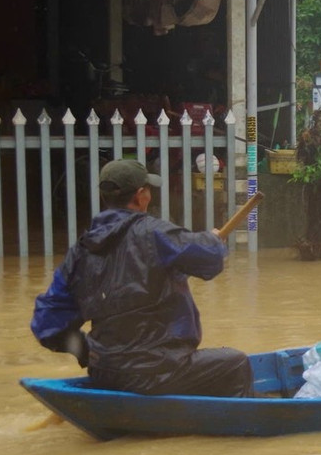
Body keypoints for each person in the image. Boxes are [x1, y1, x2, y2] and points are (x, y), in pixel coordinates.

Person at [31, 159, 253, 397]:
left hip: (105, 373)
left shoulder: (80, 252)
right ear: (140, 196)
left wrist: (89, 353)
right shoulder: (154, 234)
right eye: (148, 190)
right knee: (236, 363)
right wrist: (213, 240)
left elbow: (47, 325)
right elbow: (209, 258)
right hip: (159, 372)